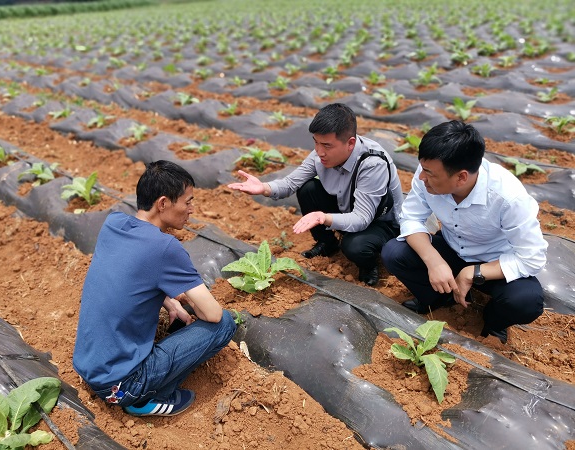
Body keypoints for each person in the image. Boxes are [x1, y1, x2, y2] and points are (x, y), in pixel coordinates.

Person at [73, 160, 236, 417]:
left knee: (178, 301)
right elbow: (213, 315)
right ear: (163, 203)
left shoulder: (113, 223)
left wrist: (169, 300)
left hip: (89, 367)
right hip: (123, 386)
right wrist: (187, 301)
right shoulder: (164, 247)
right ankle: (146, 399)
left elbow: (129, 274)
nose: (192, 209)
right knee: (225, 323)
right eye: (188, 201)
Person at [381, 120, 547, 343]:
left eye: (430, 174)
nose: (421, 178)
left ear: (461, 177)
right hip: (451, 249)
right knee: (394, 252)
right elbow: (411, 218)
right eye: (423, 169)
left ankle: (492, 321)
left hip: (494, 263)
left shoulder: (508, 198)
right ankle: (438, 299)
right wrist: (435, 262)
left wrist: (473, 272)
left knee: (526, 301)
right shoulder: (428, 172)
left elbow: (532, 258)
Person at [228, 103, 403, 286]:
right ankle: (327, 243)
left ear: (350, 143)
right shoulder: (320, 153)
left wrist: (324, 217)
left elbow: (362, 219)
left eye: (327, 145)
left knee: (354, 246)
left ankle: (368, 265)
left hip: (381, 222)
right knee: (308, 189)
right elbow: (290, 183)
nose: (319, 151)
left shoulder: (372, 163)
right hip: (348, 207)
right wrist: (263, 187)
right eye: (316, 142)